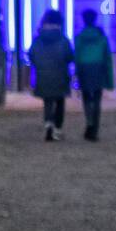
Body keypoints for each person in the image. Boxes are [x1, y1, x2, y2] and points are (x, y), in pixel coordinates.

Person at [28, 8, 74, 141]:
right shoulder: (63, 40)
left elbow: (31, 55)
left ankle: (48, 124)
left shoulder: (38, 39)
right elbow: (70, 56)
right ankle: (58, 129)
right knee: (60, 102)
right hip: (60, 74)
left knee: (47, 102)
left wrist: (39, 65)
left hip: (43, 74)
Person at [74, 8, 114, 141]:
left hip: (84, 69)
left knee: (86, 99)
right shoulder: (102, 37)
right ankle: (94, 129)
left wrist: (77, 74)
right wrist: (109, 80)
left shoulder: (80, 37)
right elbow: (107, 58)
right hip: (98, 69)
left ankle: (89, 124)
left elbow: (77, 56)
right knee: (96, 100)